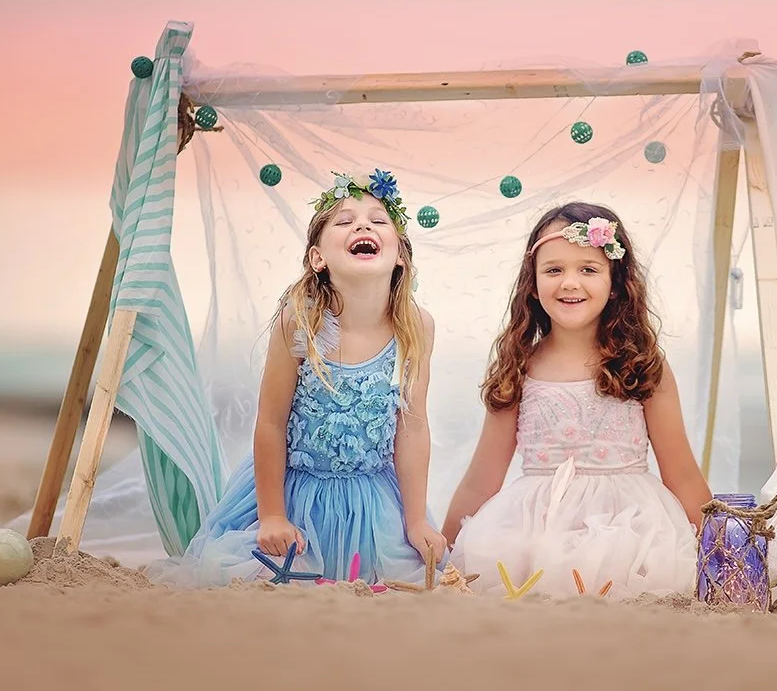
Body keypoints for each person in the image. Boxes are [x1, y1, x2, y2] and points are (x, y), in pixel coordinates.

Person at [146, 170, 446, 587]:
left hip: (373, 501)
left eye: (379, 221)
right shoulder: (301, 322)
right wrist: (272, 515)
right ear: (317, 258)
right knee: (259, 574)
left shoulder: (415, 326)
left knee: (402, 579)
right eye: (344, 221)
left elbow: (413, 429)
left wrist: (415, 521)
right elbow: (270, 422)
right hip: (296, 494)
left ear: (400, 256)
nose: (362, 225)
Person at [444, 202, 709, 598]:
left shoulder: (642, 365)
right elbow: (482, 478)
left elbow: (682, 474)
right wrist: (443, 556)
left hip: (629, 533)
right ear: (532, 284)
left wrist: (719, 552)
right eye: (554, 270)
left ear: (616, 282)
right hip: (533, 534)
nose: (570, 283)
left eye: (588, 269)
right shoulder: (519, 366)